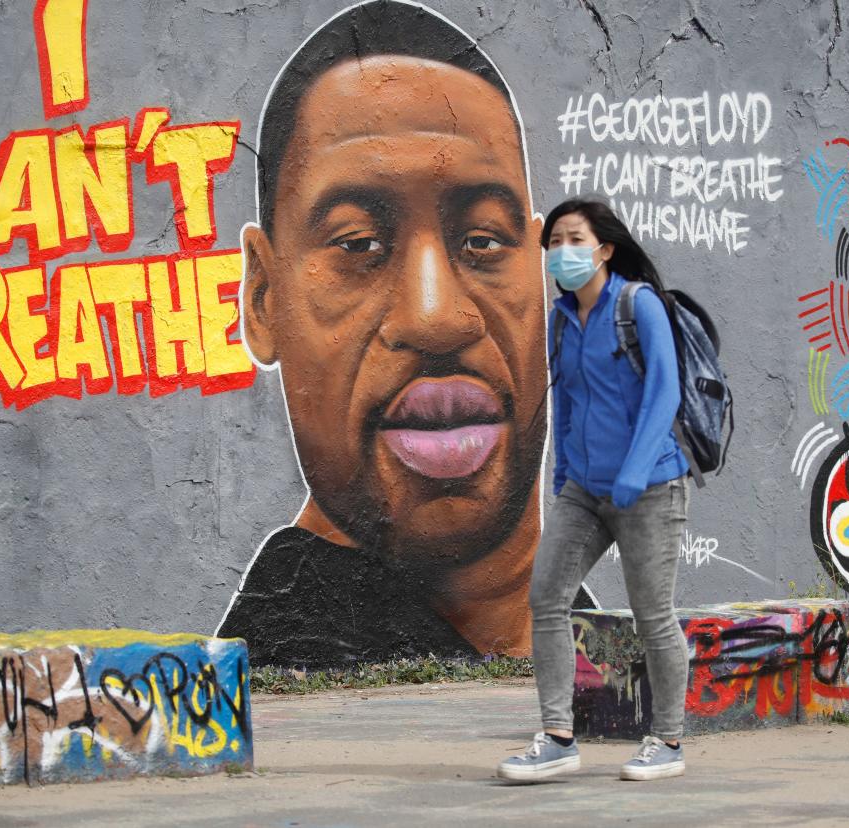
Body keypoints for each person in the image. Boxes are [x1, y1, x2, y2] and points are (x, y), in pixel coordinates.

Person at [216, 1, 592, 668]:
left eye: (483, 241)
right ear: (263, 301)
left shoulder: (599, 646)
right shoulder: (281, 672)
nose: (437, 317)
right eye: (358, 244)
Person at [497, 200, 691, 783]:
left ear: (604, 248)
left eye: (573, 238)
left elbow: (665, 392)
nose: (561, 251)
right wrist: (561, 474)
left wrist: (635, 469)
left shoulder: (639, 306)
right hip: (584, 491)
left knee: (652, 615)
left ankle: (670, 740)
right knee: (546, 597)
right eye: (554, 241)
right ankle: (557, 737)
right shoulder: (560, 317)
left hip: (649, 487)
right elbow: (570, 398)